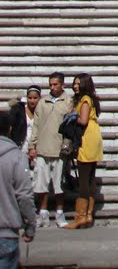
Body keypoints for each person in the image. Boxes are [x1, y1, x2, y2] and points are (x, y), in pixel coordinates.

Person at [28, 73, 71, 229]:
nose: (52, 87)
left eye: (55, 84)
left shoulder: (68, 102)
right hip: (42, 149)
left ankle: (60, 213)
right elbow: (36, 125)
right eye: (50, 84)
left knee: (59, 185)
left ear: (62, 85)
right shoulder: (42, 102)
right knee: (41, 185)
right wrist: (32, 146)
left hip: (60, 150)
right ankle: (43, 213)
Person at [64, 73, 102, 230]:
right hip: (93, 137)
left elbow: (83, 120)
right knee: (90, 177)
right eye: (74, 83)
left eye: (78, 83)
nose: (75, 86)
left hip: (86, 138)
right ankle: (88, 216)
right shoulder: (90, 98)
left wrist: (72, 116)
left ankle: (81, 216)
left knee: (84, 178)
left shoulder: (85, 100)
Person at [0, 110, 36, 269]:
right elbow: (25, 197)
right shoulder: (16, 157)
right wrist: (30, 226)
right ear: (9, 129)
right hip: (6, 234)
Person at [8, 88, 41, 169]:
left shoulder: (41, 112)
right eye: (30, 98)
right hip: (21, 145)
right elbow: (10, 127)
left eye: (35, 98)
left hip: (35, 146)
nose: (32, 101)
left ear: (39, 98)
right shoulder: (18, 110)